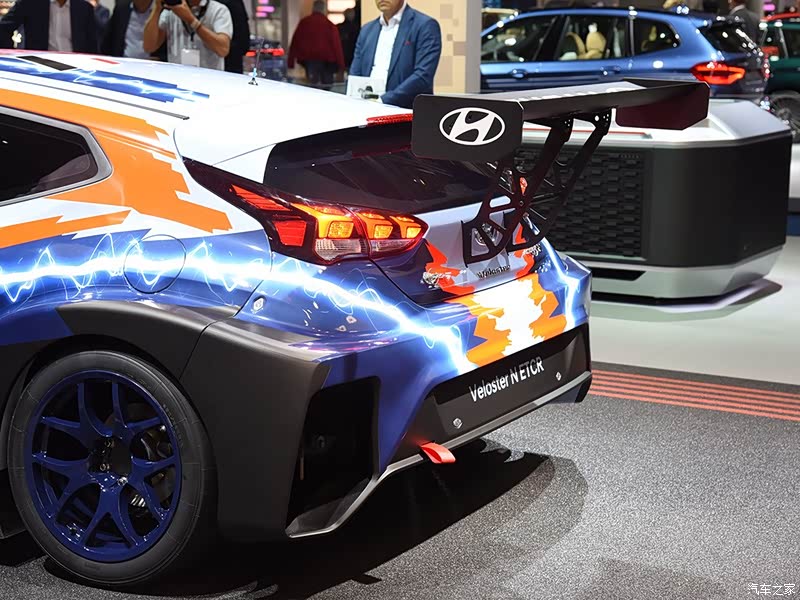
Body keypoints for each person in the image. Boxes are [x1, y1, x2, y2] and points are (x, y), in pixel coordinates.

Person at [349, 0, 441, 108]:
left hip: (406, 111)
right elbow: (355, 73)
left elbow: (423, 76)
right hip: (367, 109)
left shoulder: (425, 25)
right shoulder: (367, 30)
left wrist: (383, 100)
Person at [143, 0, 232, 70]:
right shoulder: (171, 10)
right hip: (178, 78)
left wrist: (191, 20)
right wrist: (157, 8)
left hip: (209, 80)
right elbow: (149, 47)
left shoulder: (219, 10)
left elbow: (223, 49)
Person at [0, 0, 98, 52]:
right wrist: (12, 54)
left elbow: (92, 44)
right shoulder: (30, 3)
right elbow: (3, 28)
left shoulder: (84, 8)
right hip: (40, 66)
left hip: (77, 67)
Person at [288, 0, 345, 88]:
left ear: (313, 9)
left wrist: (290, 62)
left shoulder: (304, 23)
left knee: (312, 87)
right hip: (327, 62)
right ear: (324, 10)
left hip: (310, 60)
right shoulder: (329, 25)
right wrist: (341, 66)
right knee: (327, 87)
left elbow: (295, 42)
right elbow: (337, 46)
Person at [101, 0, 165, 59]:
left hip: (152, 65)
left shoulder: (162, 9)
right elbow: (107, 44)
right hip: (124, 62)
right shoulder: (121, 8)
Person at [217, 0, 249, 73]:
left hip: (218, 56)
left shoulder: (215, 5)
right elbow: (244, 39)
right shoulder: (236, 3)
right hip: (234, 57)